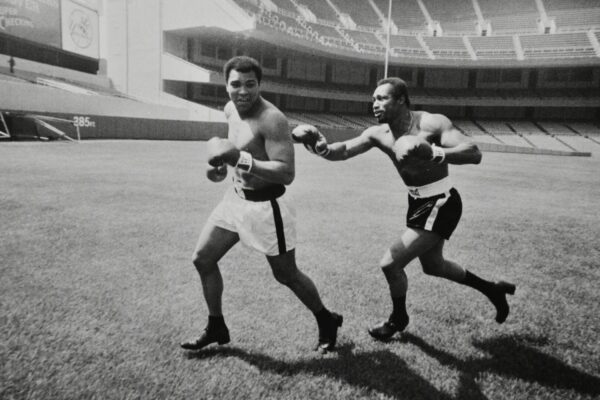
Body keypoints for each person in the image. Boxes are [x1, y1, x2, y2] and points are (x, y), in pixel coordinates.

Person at [292, 77, 515, 341]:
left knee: (390, 263)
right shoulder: (379, 134)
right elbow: (341, 151)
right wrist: (319, 145)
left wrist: (433, 152)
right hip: (418, 202)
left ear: (401, 100)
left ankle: (398, 319)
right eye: (373, 99)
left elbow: (474, 153)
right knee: (434, 266)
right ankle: (493, 290)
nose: (375, 104)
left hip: (441, 201)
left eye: (382, 98)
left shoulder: (431, 123)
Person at [181, 56, 342, 353]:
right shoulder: (230, 109)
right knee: (203, 258)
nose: (243, 91)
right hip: (235, 199)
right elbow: (234, 154)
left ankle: (327, 319)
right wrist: (218, 169)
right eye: (236, 84)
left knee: (286, 274)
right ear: (226, 84)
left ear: (260, 84)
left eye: (250, 84)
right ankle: (216, 326)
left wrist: (237, 159)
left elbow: (286, 172)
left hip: (269, 207)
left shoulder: (272, 119)